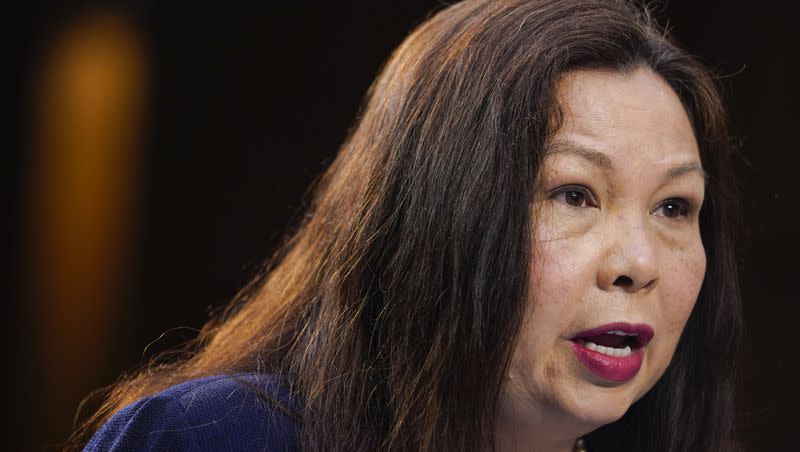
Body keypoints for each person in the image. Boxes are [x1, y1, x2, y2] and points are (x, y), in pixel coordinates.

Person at [71, 0, 743, 450]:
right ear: (436, 211)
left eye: (674, 208)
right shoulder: (217, 436)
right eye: (573, 194)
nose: (638, 261)